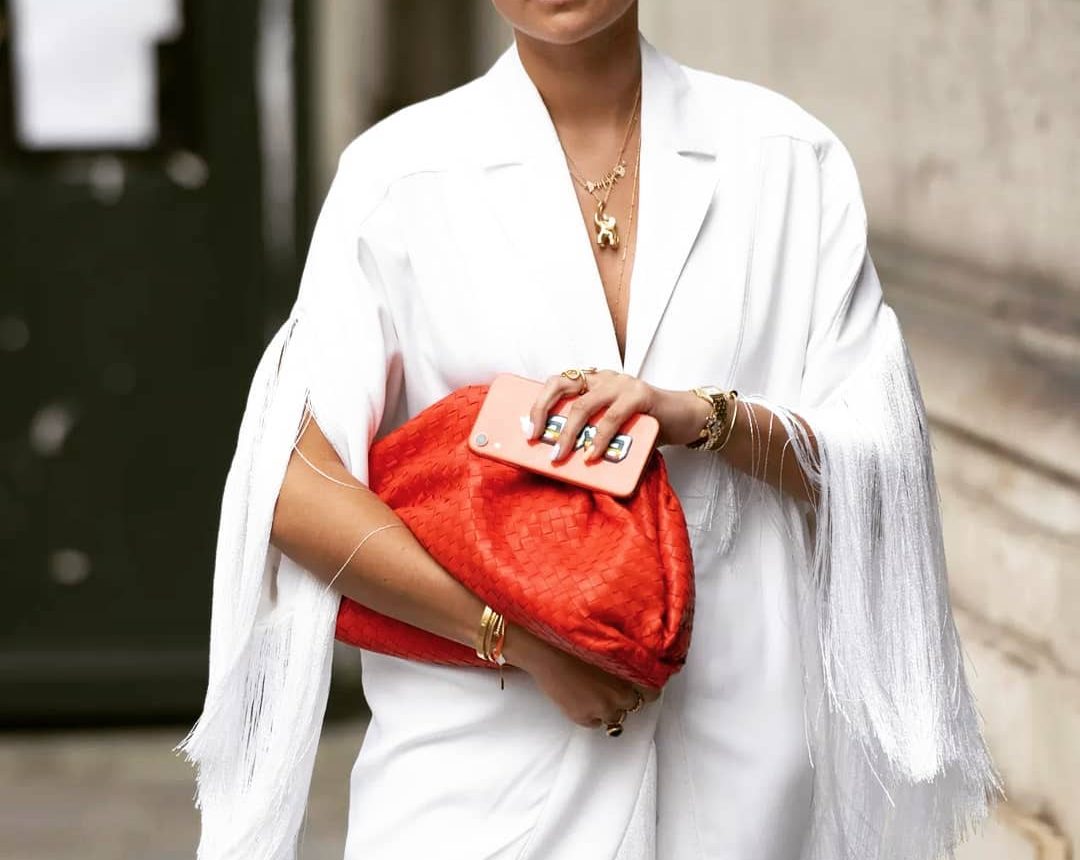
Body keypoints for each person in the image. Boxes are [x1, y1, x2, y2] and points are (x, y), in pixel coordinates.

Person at [179, 2, 1002, 858]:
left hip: (742, 758)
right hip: (476, 776)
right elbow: (292, 488)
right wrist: (515, 639)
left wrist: (705, 417)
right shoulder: (399, 176)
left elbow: (882, 464)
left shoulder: (785, 159)